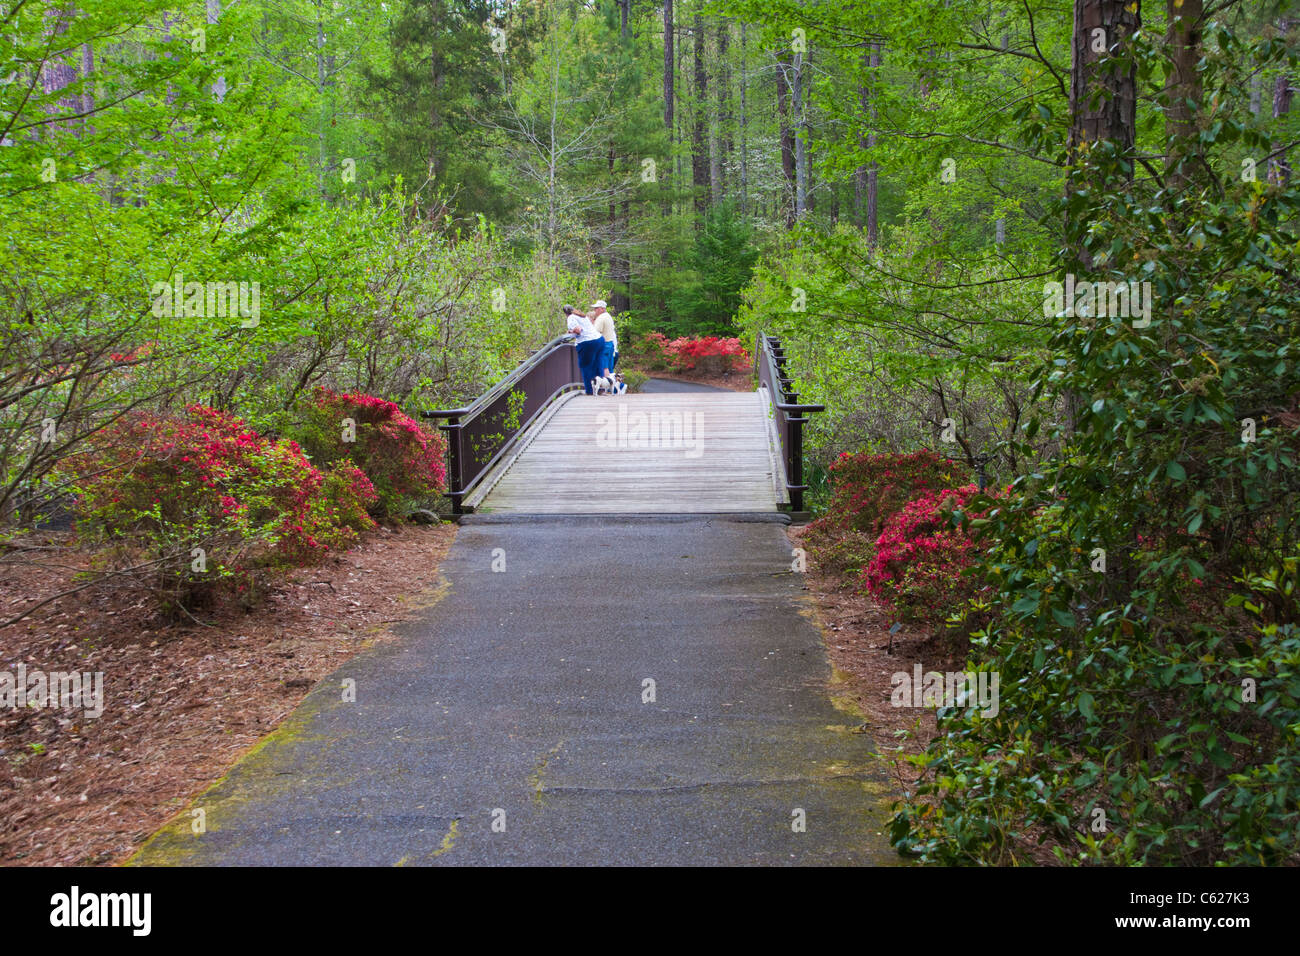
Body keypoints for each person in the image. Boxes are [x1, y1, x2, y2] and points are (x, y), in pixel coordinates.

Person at [563, 305, 606, 395]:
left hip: (587, 342)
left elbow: (578, 330)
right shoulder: (582, 315)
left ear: (565, 313)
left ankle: (590, 391)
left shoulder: (571, 317)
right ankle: (601, 389)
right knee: (598, 365)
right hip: (599, 340)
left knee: (586, 366)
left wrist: (570, 331)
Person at [590, 300, 619, 380]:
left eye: (596, 308)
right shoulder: (608, 316)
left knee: (604, 368)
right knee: (610, 369)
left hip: (604, 345)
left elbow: (595, 332)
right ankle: (614, 388)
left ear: (602, 309)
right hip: (610, 344)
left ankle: (616, 387)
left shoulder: (601, 318)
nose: (595, 310)